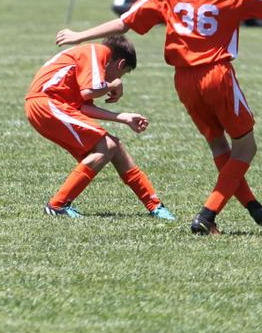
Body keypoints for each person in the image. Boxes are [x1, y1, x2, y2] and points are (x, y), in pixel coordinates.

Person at [55, 0, 262, 235]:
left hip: (184, 81)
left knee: (219, 145)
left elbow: (124, 23)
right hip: (217, 75)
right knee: (245, 147)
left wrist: (80, 35)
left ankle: (255, 209)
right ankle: (207, 215)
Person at [26, 36, 175, 221]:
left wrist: (123, 117)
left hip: (49, 106)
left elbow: (83, 106)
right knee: (107, 145)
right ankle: (57, 205)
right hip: (46, 104)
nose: (116, 79)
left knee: (115, 146)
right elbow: (87, 92)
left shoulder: (88, 61)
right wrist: (114, 84)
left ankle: (155, 205)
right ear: (120, 64)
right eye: (121, 74)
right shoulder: (97, 52)